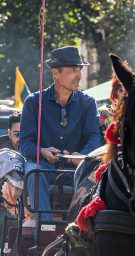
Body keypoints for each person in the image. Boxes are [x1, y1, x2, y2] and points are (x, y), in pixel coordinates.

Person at [18, 46, 101, 221]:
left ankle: (82, 229)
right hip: (45, 168)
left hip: (77, 168)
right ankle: (45, 229)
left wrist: (82, 155)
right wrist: (42, 152)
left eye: (79, 69)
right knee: (34, 172)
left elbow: (94, 138)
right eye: (73, 69)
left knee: (97, 176)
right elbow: (25, 144)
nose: (78, 75)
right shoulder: (33, 102)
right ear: (55, 72)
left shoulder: (87, 103)